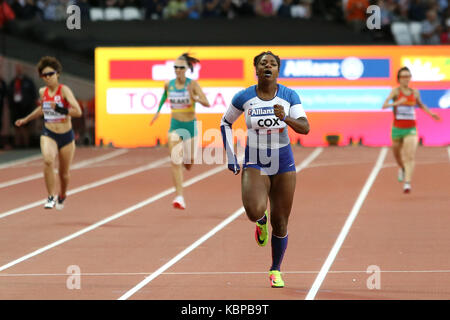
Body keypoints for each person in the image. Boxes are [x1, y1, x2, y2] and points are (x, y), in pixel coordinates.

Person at [220, 51, 310, 288]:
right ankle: (260, 221)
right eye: (263, 63)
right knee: (253, 211)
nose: (268, 66)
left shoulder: (289, 95)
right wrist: (231, 155)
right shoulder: (244, 97)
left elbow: (305, 128)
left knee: (281, 222)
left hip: (283, 162)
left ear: (278, 70)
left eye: (272, 63)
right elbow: (225, 122)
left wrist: (287, 119)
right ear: (256, 70)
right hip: (256, 160)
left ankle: (275, 269)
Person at [15, 56, 82, 209]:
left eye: (50, 74)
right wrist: (26, 119)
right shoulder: (42, 91)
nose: (48, 77)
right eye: (44, 75)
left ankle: (62, 194)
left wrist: (58, 108)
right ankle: (51, 196)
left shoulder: (64, 90)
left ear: (57, 74)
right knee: (48, 160)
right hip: (49, 133)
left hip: (66, 135)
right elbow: (42, 108)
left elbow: (78, 112)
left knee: (64, 174)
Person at [150, 53, 210, 210]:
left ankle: (186, 163)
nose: (177, 70)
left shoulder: (192, 85)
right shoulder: (168, 84)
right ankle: (179, 196)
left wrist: (195, 98)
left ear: (186, 69)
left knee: (188, 164)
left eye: (180, 67)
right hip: (175, 126)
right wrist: (157, 112)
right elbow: (164, 96)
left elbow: (207, 103)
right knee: (175, 161)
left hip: (190, 127)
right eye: (175, 67)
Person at [382, 67, 440, 193]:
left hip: (411, 129)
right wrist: (396, 103)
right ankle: (402, 168)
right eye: (403, 76)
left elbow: (420, 104)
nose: (406, 79)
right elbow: (384, 105)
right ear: (398, 79)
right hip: (397, 129)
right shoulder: (395, 92)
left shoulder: (415, 92)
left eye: (408, 76)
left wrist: (431, 114)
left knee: (410, 156)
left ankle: (407, 183)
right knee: (397, 156)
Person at [8, 63, 38, 148]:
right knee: (16, 126)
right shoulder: (13, 81)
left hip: (26, 107)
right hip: (15, 107)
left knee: (25, 126)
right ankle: (17, 145)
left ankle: (26, 144)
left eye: (20, 69)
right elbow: (9, 94)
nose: (18, 70)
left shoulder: (28, 81)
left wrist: (31, 105)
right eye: (17, 69)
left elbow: (33, 95)